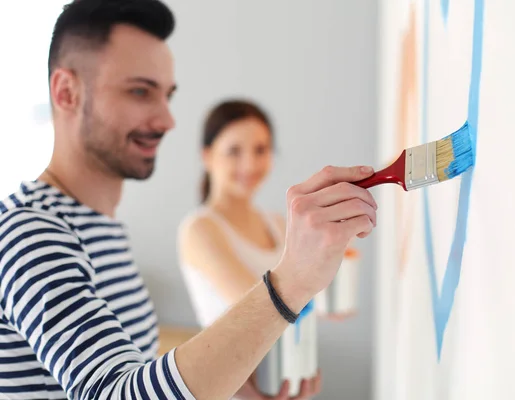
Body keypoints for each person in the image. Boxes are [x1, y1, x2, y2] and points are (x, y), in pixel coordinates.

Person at [0, 0, 378, 399]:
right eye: (140, 91)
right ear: (66, 92)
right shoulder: (28, 234)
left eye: (167, 95)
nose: (167, 120)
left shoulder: (102, 230)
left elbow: (133, 370)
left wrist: (229, 385)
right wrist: (291, 282)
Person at [178, 99, 320, 399]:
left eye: (260, 150)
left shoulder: (279, 223)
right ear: (207, 156)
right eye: (234, 151)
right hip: (237, 389)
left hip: (287, 377)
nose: (250, 165)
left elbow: (301, 301)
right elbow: (260, 304)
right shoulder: (200, 229)